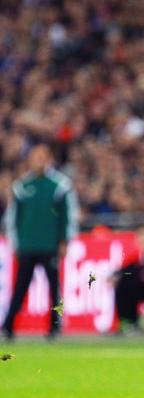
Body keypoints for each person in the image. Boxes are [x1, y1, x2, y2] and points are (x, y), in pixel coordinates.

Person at [2, 144, 78, 341]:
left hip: (50, 245)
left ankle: (54, 327)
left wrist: (64, 240)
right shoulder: (21, 186)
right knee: (20, 287)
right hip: (27, 245)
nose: (39, 160)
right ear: (30, 159)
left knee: (54, 287)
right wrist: (15, 243)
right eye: (36, 156)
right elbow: (13, 218)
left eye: (43, 156)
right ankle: (8, 326)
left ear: (49, 158)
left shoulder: (60, 185)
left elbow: (68, 215)